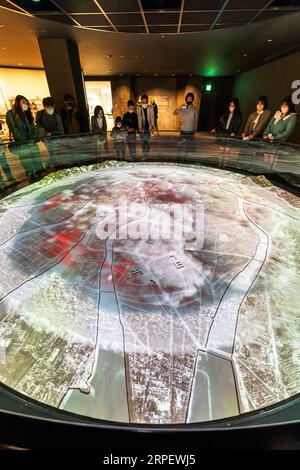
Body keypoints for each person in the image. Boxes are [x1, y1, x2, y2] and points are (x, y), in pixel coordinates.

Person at [136, 94, 155, 159]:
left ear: (147, 102)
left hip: (149, 128)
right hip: (142, 128)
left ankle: (146, 154)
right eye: (143, 102)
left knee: (149, 143)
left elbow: (152, 117)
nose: (144, 103)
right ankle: (145, 155)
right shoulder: (138, 108)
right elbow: (139, 118)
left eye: (145, 102)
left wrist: (152, 126)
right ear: (141, 101)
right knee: (144, 143)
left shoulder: (150, 107)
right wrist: (139, 127)